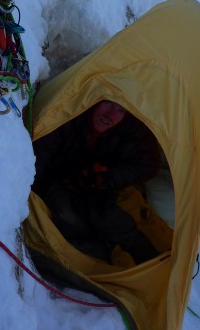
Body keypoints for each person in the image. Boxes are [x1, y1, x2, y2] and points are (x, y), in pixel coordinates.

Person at [32, 100, 171, 265]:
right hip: (57, 180)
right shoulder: (65, 115)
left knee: (116, 220)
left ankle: (160, 264)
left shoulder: (131, 127)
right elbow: (37, 163)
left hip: (98, 186)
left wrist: (103, 177)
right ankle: (100, 256)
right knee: (68, 217)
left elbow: (147, 165)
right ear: (94, 100)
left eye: (120, 110)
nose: (110, 115)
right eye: (108, 104)